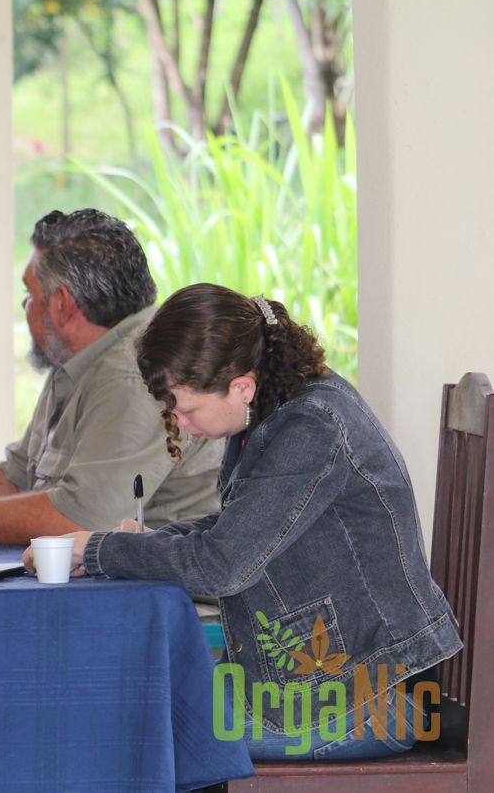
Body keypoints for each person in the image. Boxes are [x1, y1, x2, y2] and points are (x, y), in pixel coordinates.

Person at [24, 283, 462, 759]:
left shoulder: (311, 426)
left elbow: (223, 563)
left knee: (128, 721)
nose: (181, 423)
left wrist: (97, 549)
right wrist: (123, 544)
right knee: (123, 702)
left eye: (186, 408)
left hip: (373, 697)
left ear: (241, 386)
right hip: (333, 681)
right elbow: (240, 529)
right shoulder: (273, 410)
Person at [0, 209, 222, 544]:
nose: (25, 305)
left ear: (62, 305)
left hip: (157, 593)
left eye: (29, 293)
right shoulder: (79, 358)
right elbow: (17, 480)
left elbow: (78, 522)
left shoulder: (133, 377)